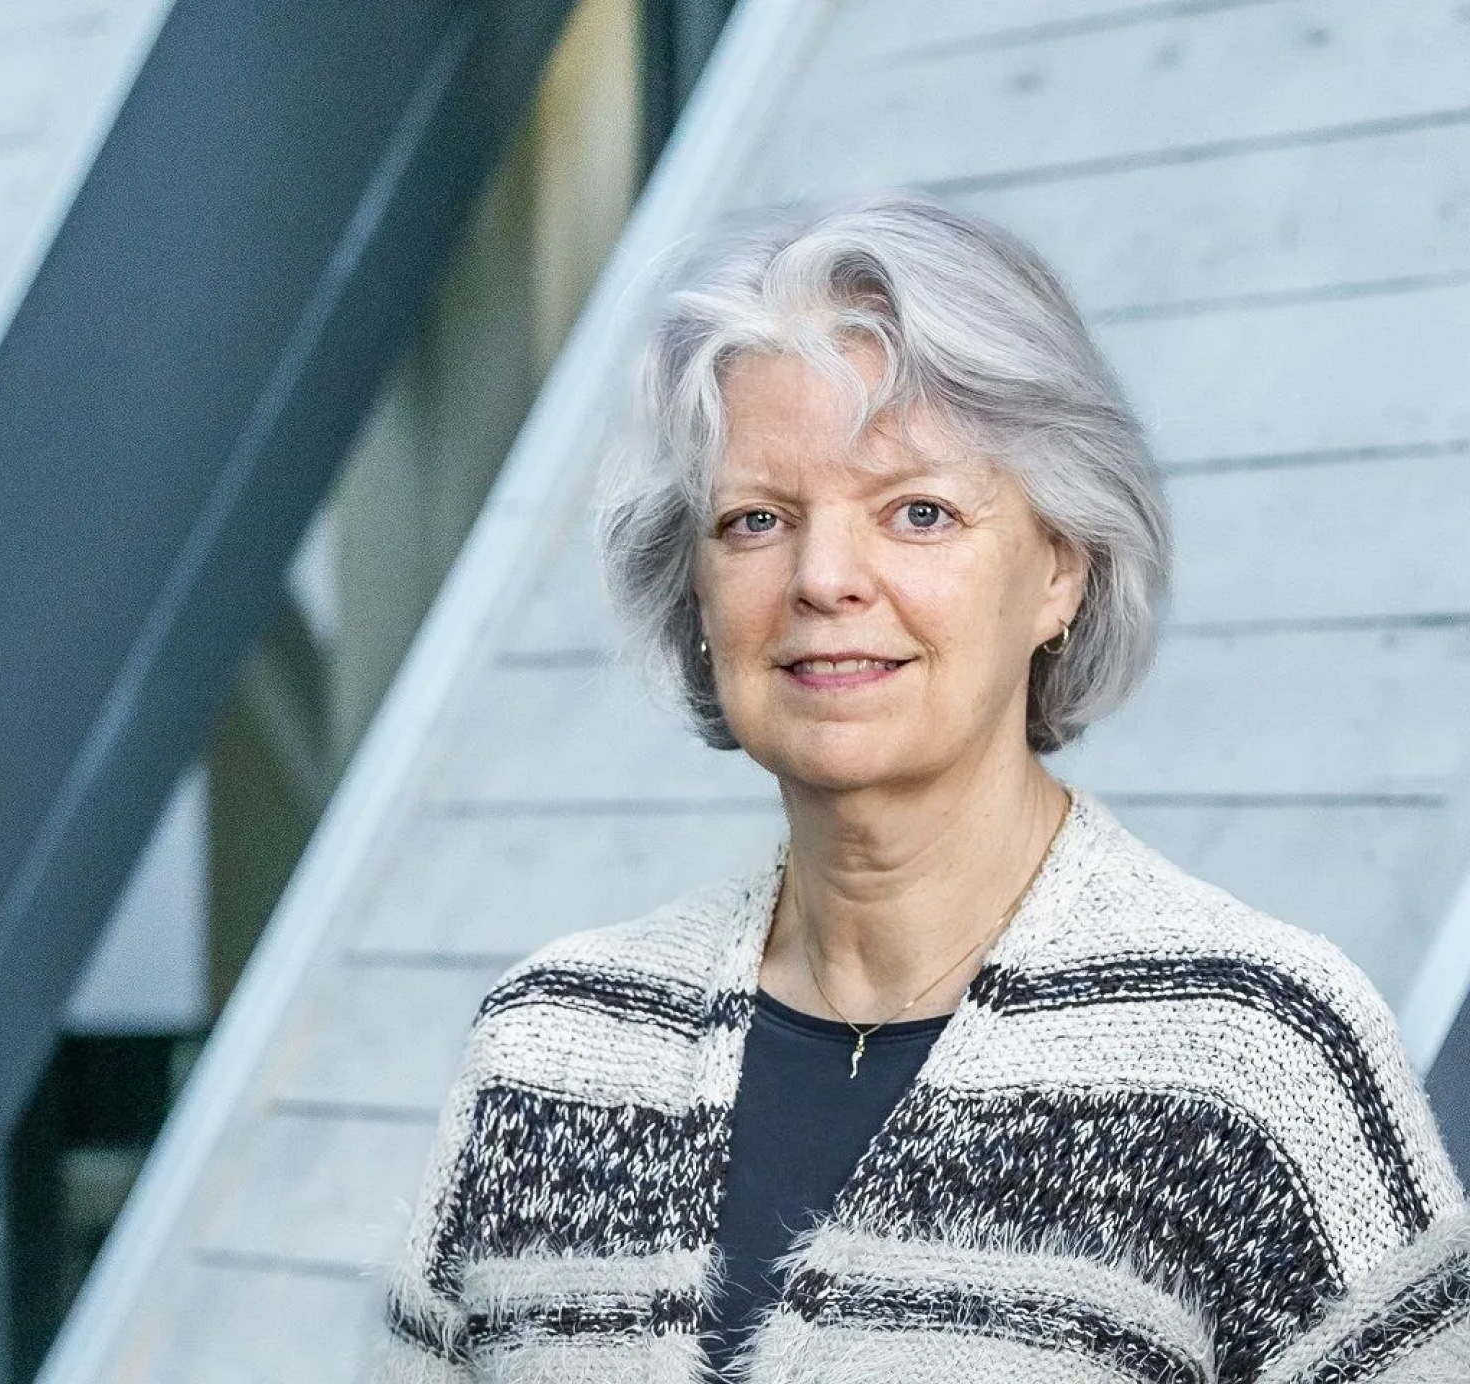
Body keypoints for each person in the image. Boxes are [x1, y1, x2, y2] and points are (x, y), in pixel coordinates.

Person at [377, 195, 1470, 1382]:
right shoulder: (549, 1047)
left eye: (918, 511)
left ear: (1060, 567)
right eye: (755, 520)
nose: (824, 577)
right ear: (692, 592)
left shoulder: (1254, 1052)